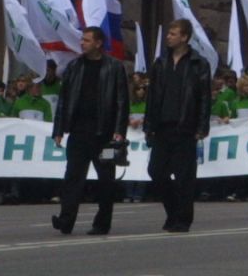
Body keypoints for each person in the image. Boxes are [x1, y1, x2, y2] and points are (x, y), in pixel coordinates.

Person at [49, 26, 130, 236]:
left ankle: (102, 223)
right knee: (72, 178)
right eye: (82, 40)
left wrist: (119, 130)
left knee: (106, 180)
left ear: (98, 43)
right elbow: (64, 101)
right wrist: (58, 129)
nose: (82, 43)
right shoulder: (74, 67)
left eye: (86, 40)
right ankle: (65, 220)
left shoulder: (114, 67)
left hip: (104, 135)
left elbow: (122, 101)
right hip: (78, 132)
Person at [144, 18, 212, 233]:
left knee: (184, 177)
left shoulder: (198, 63)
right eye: (169, 33)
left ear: (184, 37)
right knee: (156, 171)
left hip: (185, 127)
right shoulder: (161, 62)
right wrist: (149, 125)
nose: (168, 37)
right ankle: (173, 211)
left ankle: (183, 219)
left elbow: (204, 97)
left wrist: (202, 126)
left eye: (173, 34)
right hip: (162, 126)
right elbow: (152, 96)